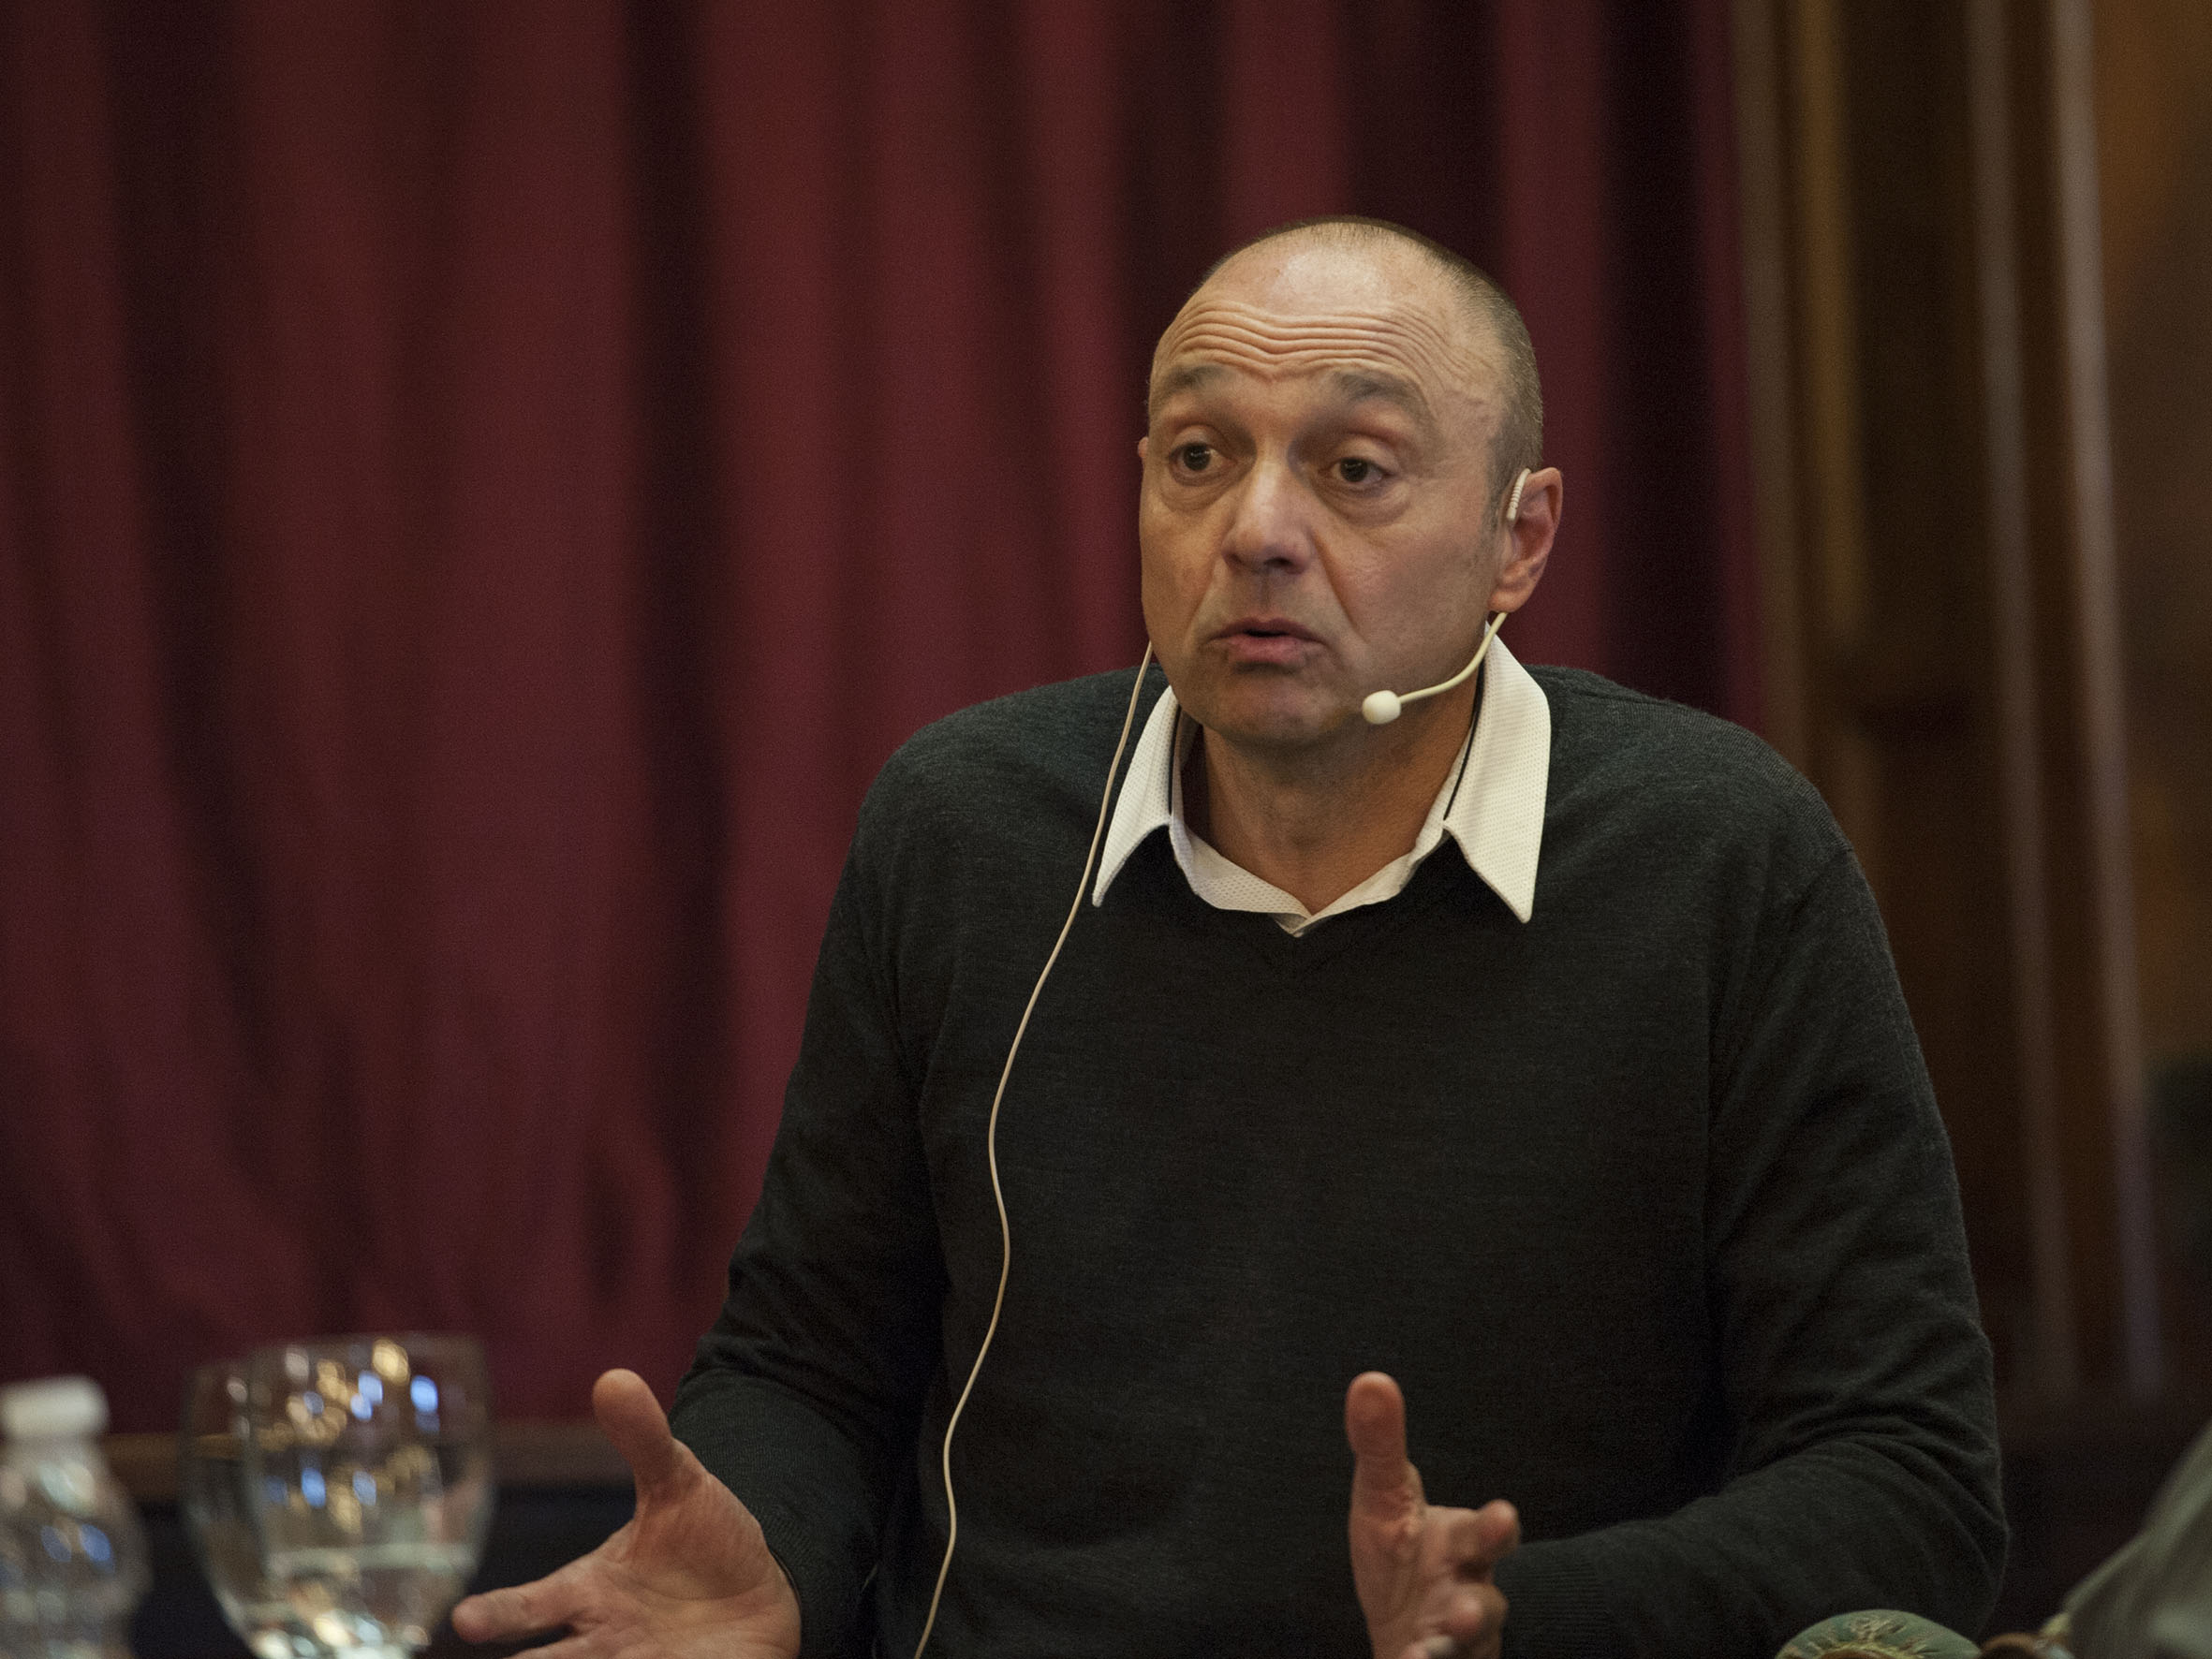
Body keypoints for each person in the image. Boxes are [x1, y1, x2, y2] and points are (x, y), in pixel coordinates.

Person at [452, 218, 2005, 1659]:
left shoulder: (1719, 859)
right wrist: (772, 1553)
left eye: (1354, 469)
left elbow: (1905, 1480)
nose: (1255, 530)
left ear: (1517, 540)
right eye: (1199, 459)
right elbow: (810, 1365)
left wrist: (1515, 1615)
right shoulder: (967, 832)